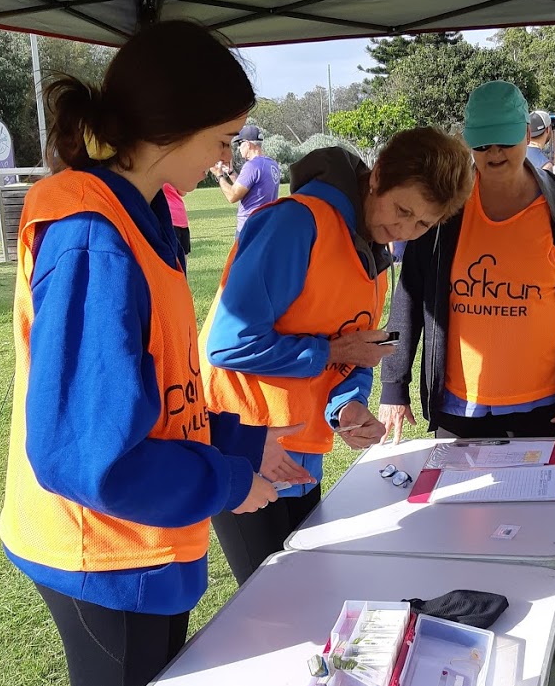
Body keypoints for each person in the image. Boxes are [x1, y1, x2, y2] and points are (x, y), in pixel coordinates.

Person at [0, 20, 306, 686]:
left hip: (146, 542)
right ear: (167, 133)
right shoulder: (90, 229)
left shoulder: (139, 210)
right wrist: (224, 471)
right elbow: (89, 455)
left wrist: (241, 441)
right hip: (99, 549)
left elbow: (166, 386)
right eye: (219, 138)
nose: (226, 159)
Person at [202, 128, 473, 586]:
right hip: (245, 444)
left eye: (423, 225)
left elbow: (354, 356)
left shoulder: (373, 256)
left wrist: (346, 405)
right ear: (378, 176)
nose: (404, 230)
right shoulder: (296, 223)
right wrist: (333, 350)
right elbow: (228, 344)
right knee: (273, 598)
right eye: (403, 210)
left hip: (303, 451)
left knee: (308, 587)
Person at [379, 81, 555, 444]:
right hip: (458, 405)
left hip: (544, 405)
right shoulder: (446, 206)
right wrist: (394, 384)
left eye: (505, 140)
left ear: (526, 135)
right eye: (483, 143)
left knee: (544, 501)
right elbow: (409, 295)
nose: (494, 153)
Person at [211, 124, 280, 235]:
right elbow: (248, 189)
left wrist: (219, 175)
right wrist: (231, 173)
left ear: (248, 144)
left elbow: (232, 196)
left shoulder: (252, 165)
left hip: (249, 227)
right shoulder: (272, 164)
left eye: (240, 143)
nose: (238, 148)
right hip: (266, 226)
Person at [162, 181, 191, 255]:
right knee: (181, 254)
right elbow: (183, 192)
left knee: (180, 252)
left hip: (177, 217)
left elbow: (183, 192)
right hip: (176, 216)